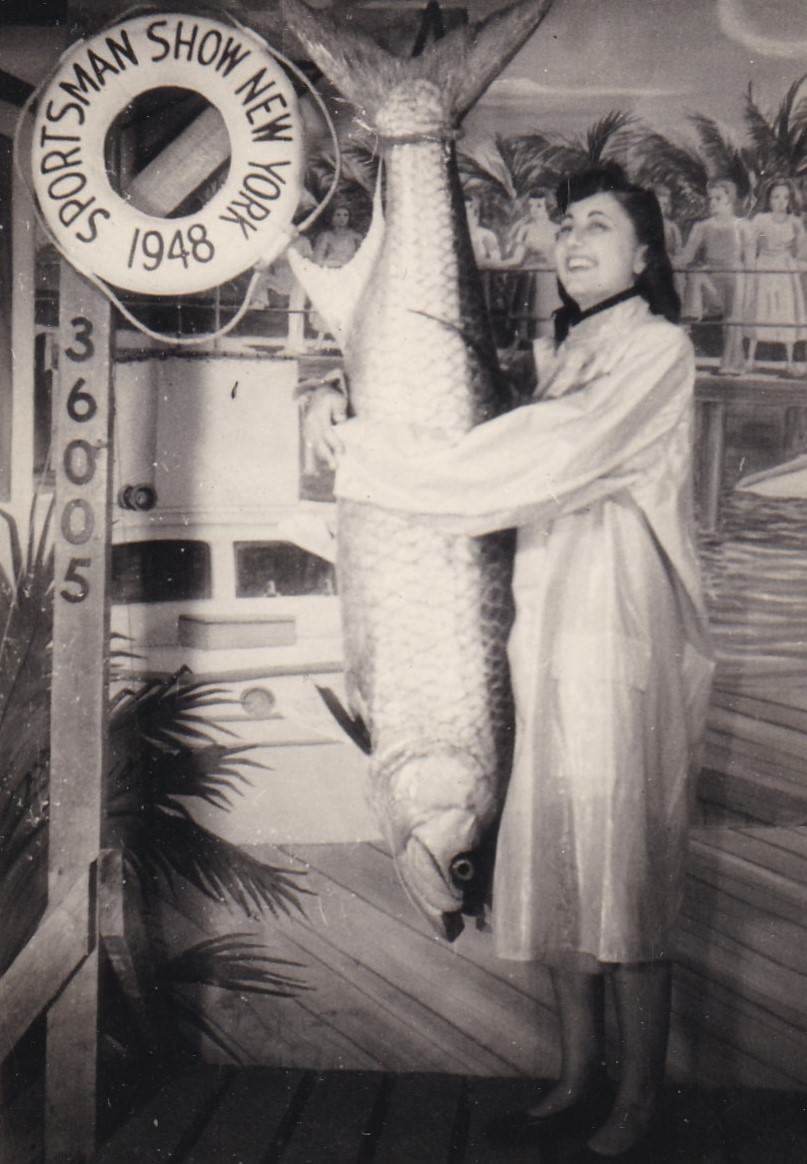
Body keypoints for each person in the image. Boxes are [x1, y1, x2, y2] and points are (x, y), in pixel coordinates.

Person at [304, 164, 714, 1161]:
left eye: (601, 229)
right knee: (551, 867)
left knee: (625, 875)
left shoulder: (658, 351)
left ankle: (640, 1100)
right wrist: (342, 391)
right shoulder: (573, 349)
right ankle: (579, 1076)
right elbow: (485, 442)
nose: (574, 244)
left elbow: (544, 457)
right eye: (566, 227)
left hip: (619, 644)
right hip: (540, 646)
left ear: (646, 254)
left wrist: (364, 458)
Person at [679, 177, 751, 374]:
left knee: (732, 321)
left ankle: (732, 364)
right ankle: (691, 314)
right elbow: (686, 256)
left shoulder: (742, 226)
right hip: (712, 277)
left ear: (730, 199)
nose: (712, 203)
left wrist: (752, 287)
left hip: (735, 276)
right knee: (696, 274)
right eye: (710, 199)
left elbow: (751, 259)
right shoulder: (702, 226)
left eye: (718, 199)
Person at [744, 178, 807, 374]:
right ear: (768, 199)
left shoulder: (795, 222)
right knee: (760, 309)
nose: (780, 202)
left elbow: (802, 248)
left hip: (785, 268)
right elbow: (755, 241)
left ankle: (789, 361)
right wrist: (754, 262)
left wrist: (797, 262)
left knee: (786, 310)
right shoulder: (761, 220)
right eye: (776, 197)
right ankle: (750, 358)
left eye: (785, 197)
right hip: (765, 265)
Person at [505, 188, 562, 337]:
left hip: (551, 280)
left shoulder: (558, 230)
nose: (533, 210)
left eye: (538, 206)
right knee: (526, 326)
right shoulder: (524, 230)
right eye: (530, 206)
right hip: (529, 278)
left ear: (548, 207)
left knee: (549, 325)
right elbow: (516, 259)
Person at [313, 202, 363, 268]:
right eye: (338, 215)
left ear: (350, 218)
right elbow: (317, 259)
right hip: (330, 270)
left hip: (351, 271)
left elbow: (363, 259)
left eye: (345, 215)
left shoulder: (356, 236)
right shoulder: (326, 236)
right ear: (332, 217)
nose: (342, 218)